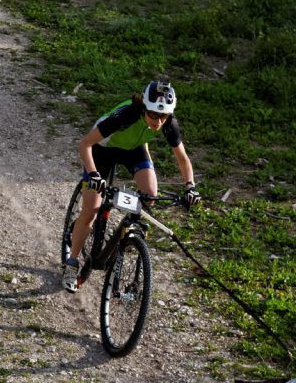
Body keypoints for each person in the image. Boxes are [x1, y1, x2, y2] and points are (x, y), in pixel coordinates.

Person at [62, 80, 201, 292]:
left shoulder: (168, 123)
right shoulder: (125, 115)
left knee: (150, 195)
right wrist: (94, 174)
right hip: (102, 150)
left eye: (163, 116)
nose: (158, 121)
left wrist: (190, 186)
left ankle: (123, 238)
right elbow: (84, 144)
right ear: (144, 108)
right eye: (153, 114)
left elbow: (182, 158)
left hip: (134, 150)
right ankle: (72, 263)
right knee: (91, 210)